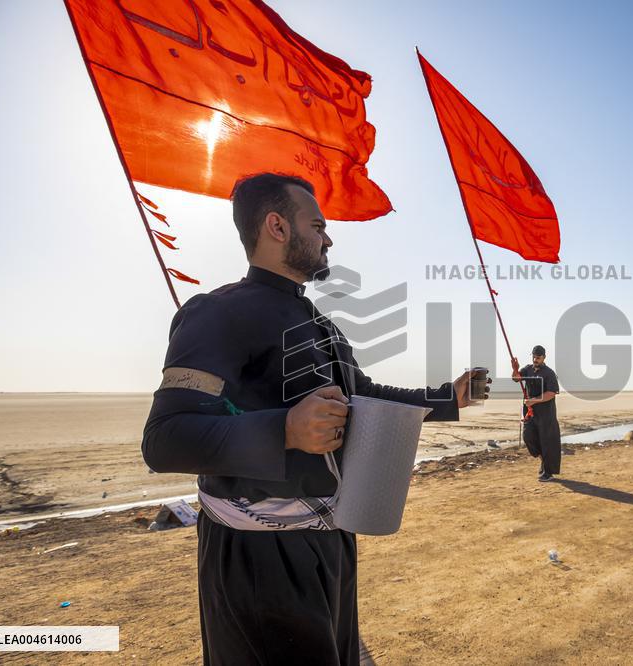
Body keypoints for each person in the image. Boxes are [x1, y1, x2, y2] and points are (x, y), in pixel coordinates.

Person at [142, 173, 485, 665]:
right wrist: (285, 430)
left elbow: (363, 395)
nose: (328, 239)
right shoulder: (216, 313)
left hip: (331, 538)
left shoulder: (321, 324)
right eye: (318, 226)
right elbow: (165, 440)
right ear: (277, 227)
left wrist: (449, 398)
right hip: (257, 556)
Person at [511, 345, 561, 481]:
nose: (535, 359)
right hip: (530, 412)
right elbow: (516, 378)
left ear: (544, 357)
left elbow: (551, 393)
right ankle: (543, 460)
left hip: (546, 414)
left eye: (538, 357)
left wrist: (533, 401)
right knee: (528, 436)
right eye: (534, 357)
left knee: (547, 441)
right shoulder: (527, 369)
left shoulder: (549, 373)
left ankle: (548, 472)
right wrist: (515, 368)